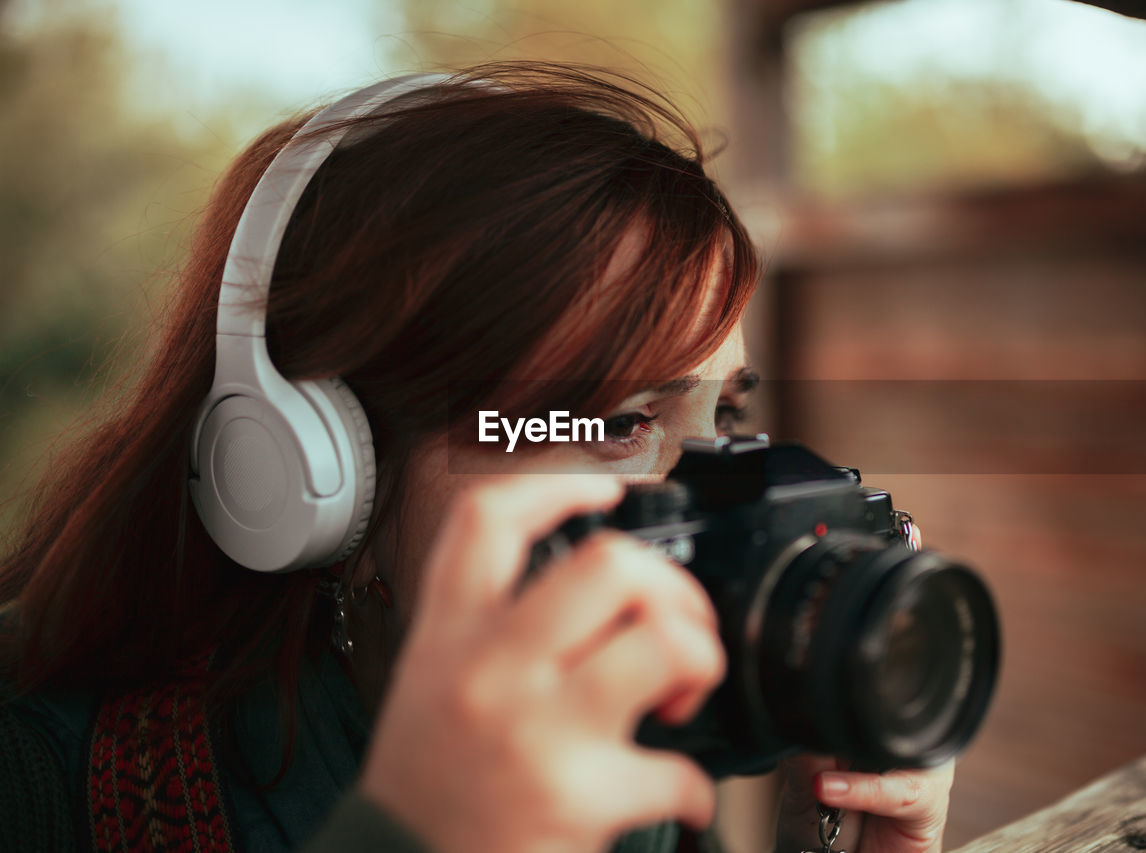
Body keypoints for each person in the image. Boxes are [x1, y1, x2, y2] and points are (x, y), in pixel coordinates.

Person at [0, 62, 953, 852]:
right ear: (322, 473)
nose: (706, 496)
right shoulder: (44, 785)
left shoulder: (629, 743)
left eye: (723, 418)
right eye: (618, 421)